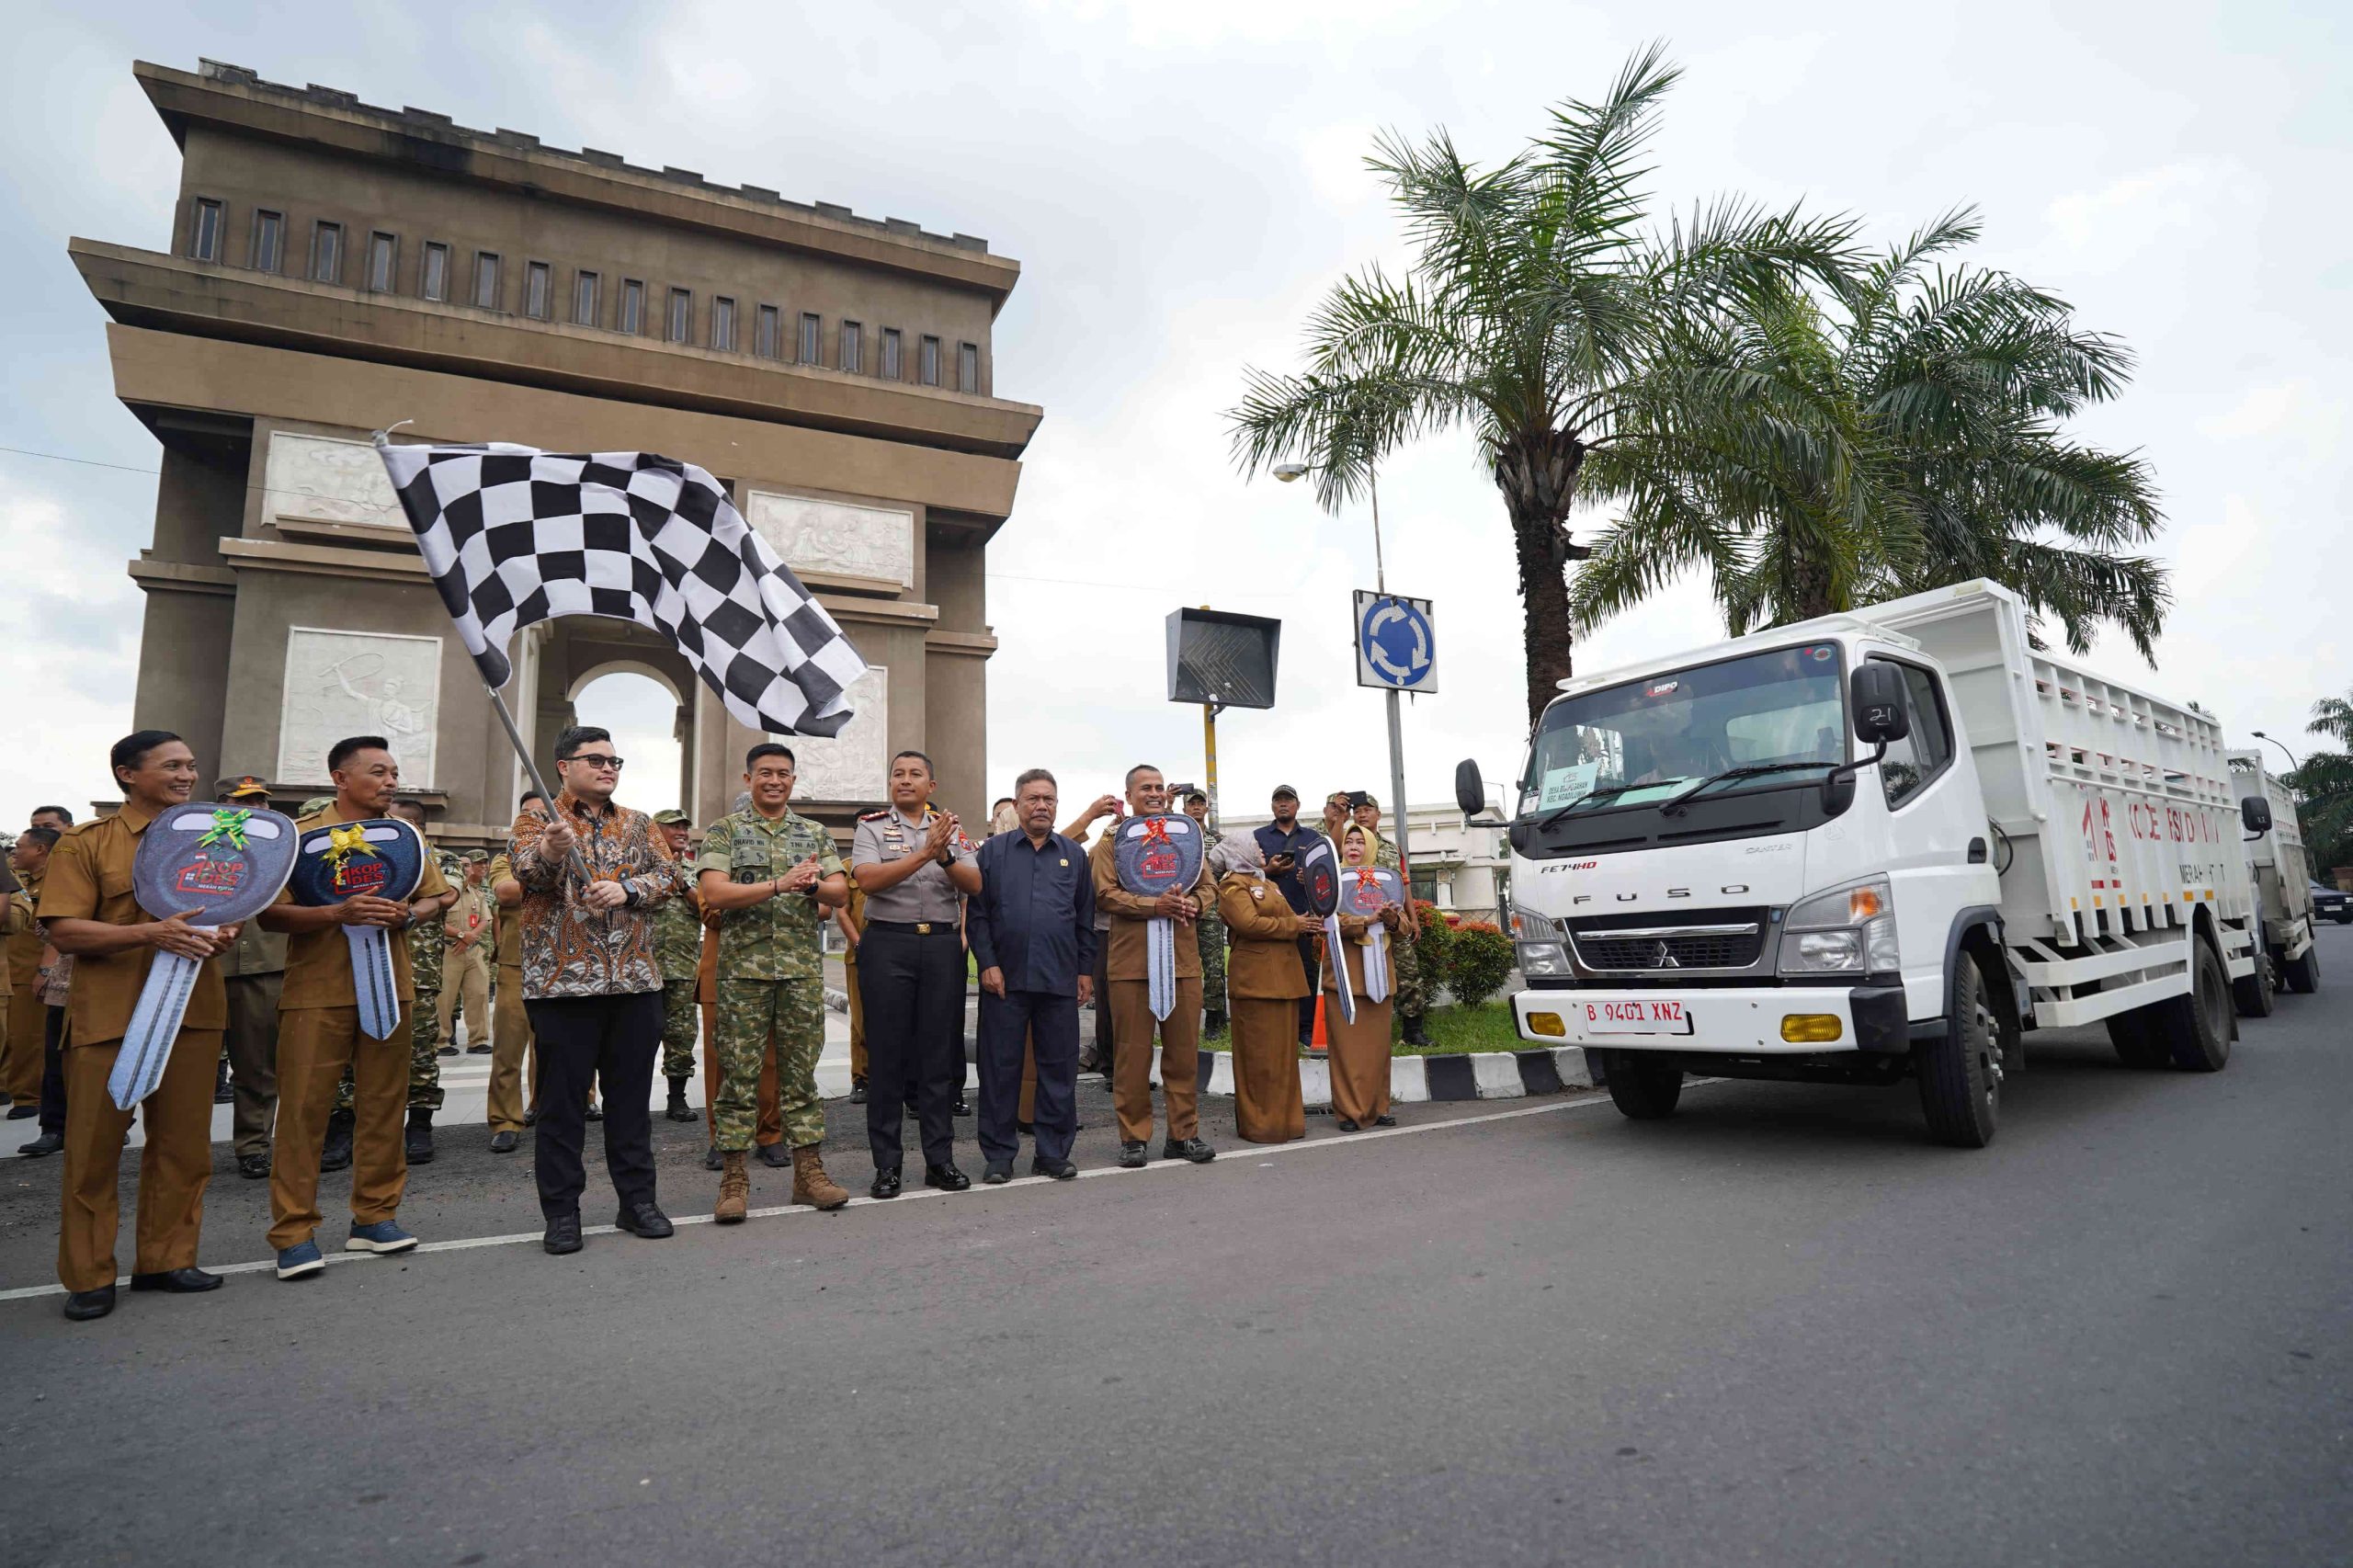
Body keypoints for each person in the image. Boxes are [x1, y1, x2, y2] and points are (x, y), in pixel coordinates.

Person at [39, 731, 239, 1320]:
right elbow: (64, 931)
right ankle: (90, 1274)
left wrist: (224, 934)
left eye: (191, 765)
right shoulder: (87, 843)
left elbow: (229, 915)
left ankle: (167, 1259)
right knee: (93, 1152)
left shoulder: (214, 838)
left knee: (183, 1148)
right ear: (128, 774)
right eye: (172, 765)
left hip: (193, 1013)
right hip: (110, 1016)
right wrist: (150, 932)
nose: (186, 775)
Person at [258, 737, 455, 1281]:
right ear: (340, 778)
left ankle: (374, 1217)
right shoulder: (298, 839)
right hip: (317, 992)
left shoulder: (403, 837)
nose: (391, 782)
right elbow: (271, 916)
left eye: (394, 772)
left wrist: (409, 914)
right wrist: (336, 913)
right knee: (303, 1113)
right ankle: (294, 1233)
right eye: (378, 772)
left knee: (384, 1105)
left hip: (391, 986)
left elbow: (441, 897)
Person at [506, 727, 681, 1253]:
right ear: (564, 766)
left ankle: (637, 1202)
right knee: (562, 1107)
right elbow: (527, 877)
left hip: (634, 983)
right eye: (596, 760)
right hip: (564, 989)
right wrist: (553, 853)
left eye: (614, 760)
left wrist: (627, 889)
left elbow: (671, 876)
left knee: (630, 1103)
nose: (609, 768)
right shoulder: (536, 821)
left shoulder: (639, 824)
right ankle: (561, 1213)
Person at [698, 743, 854, 1218]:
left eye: (783, 774)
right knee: (738, 1080)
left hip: (801, 976)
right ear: (749, 779)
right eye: (765, 773)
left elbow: (840, 892)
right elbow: (713, 892)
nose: (774, 781)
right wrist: (779, 884)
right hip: (744, 976)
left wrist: (813, 885)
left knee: (800, 1078)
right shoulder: (725, 831)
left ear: (792, 780)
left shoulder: (814, 833)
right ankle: (733, 1181)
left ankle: (808, 1175)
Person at [850, 750, 981, 1197]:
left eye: (915, 774)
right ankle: (887, 1166)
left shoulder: (951, 829)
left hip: (942, 947)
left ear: (932, 786)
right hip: (888, 944)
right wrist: (926, 852)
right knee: (887, 1058)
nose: (905, 780)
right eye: (898, 774)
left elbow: (975, 885)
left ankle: (939, 1161)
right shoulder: (870, 826)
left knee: (937, 1059)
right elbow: (867, 880)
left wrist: (944, 857)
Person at [968, 767, 1096, 1183]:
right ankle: (1000, 1156)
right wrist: (987, 963)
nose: (1041, 806)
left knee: (1058, 1071)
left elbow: (1084, 918)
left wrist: (1085, 971)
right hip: (1004, 981)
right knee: (999, 1070)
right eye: (1033, 799)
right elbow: (979, 915)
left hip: (1059, 980)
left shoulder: (1073, 855)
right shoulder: (993, 852)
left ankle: (1053, 1153)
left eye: (1049, 799)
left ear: (1057, 805)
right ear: (1018, 804)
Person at [1091, 763, 1218, 1169]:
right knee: (1132, 1056)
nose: (1155, 793)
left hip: (1182, 963)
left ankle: (1184, 1135)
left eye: (1160, 787)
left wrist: (1193, 903)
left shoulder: (1186, 837)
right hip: (1131, 965)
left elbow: (1209, 885)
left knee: (1182, 1054)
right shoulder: (1114, 840)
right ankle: (1134, 1137)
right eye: (1145, 787)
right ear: (1128, 796)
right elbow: (1105, 894)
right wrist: (1153, 905)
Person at [1216, 834, 1314, 1143]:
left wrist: (1304, 921)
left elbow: (1287, 918)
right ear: (1239, 852)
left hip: (1284, 979)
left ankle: (1288, 1122)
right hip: (1256, 982)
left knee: (1284, 1057)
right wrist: (1293, 926)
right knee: (1260, 1058)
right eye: (1254, 846)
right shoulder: (1233, 886)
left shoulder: (1267, 883)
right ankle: (1261, 1125)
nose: (1261, 849)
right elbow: (1249, 924)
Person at [215, 778, 287, 1179]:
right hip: (202, 963)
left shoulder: (284, 849)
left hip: (263, 963)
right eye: (244, 803)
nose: (257, 808)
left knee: (257, 1065)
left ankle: (253, 1146)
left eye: (261, 801)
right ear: (221, 806)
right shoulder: (196, 848)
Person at [1325, 824, 1403, 1131]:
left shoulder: (1385, 883)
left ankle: (1378, 1107)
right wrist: (1365, 920)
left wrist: (1393, 919)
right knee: (1346, 1050)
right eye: (1348, 841)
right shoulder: (1332, 881)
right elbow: (1328, 921)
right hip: (1345, 978)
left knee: (1378, 1049)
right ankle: (1348, 1112)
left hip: (1381, 978)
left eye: (1360, 841)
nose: (1354, 846)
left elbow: (1406, 928)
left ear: (1370, 846)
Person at [1353, 794, 1432, 1048]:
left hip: (1392, 921)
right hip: (1361, 922)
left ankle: (1412, 1030)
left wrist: (1413, 919)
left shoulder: (1391, 848)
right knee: (1362, 975)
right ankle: (1366, 1030)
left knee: (1408, 971)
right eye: (1358, 811)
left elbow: (1404, 884)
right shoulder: (1348, 844)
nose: (1362, 814)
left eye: (1368, 810)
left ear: (1378, 814)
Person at [10, 827, 68, 1158]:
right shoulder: (23, 877)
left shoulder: (67, 874)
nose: (16, 851)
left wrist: (44, 970)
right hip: (57, 977)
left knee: (96, 1058)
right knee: (54, 1054)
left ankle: (113, 1127)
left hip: (77, 974)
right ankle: (54, 1128)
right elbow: (47, 929)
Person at [1252, 786, 1324, 1048]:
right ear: (1272, 806)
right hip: (1271, 919)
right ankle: (1278, 1029)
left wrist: (1312, 878)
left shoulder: (1313, 836)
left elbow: (1326, 874)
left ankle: (1305, 1029)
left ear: (1297, 805)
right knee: (1273, 974)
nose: (1283, 804)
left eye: (1288, 800)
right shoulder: (1258, 837)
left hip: (1305, 916)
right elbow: (1247, 875)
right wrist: (1267, 870)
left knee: (1306, 974)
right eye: (1278, 800)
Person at [1062, 791, 1123, 1074]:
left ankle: (1126, 1066)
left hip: (1134, 934)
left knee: (1132, 1006)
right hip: (1104, 932)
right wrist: (1098, 822)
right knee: (1108, 1004)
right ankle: (1110, 1064)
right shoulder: (1099, 850)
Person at [649, 809, 703, 1122]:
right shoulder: (641, 868)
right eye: (675, 827)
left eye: (685, 827)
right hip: (643, 971)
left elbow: (707, 905)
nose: (682, 831)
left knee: (682, 1037)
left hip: (683, 969)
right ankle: (633, 1102)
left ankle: (677, 1099)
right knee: (638, 1040)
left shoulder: (697, 871)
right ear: (656, 832)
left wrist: (683, 886)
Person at [483, 828, 535, 1153]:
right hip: (516, 965)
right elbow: (506, 893)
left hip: (563, 965)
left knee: (555, 1050)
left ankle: (546, 1109)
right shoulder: (505, 860)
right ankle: (505, 1121)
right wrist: (553, 874)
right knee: (508, 1047)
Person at [6, 826, 58, 1121]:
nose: (14, 851)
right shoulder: (17, 879)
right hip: (9, 969)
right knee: (8, 1036)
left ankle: (28, 1097)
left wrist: (45, 969)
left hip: (31, 970)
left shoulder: (58, 881)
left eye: (20, 846)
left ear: (40, 849)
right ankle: (6, 1087)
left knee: (28, 1038)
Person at [438, 850, 494, 1071]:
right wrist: (461, 935)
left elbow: (485, 918)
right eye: (461, 866)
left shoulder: (476, 893)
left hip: (473, 949)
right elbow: (435, 920)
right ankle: (441, 1041)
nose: (466, 869)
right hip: (450, 950)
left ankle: (478, 1040)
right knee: (444, 997)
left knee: (479, 994)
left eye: (468, 866)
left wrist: (470, 937)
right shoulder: (442, 893)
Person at [1181, 789, 1230, 1040]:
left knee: (1213, 967)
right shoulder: (1177, 835)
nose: (1197, 808)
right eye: (1192, 804)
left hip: (1210, 911)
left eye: (1201, 804)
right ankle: (1181, 1019)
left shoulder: (1218, 839)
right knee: (1181, 968)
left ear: (1207, 809)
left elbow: (1227, 873)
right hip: (1178, 910)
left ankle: (1215, 1019)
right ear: (1184, 809)